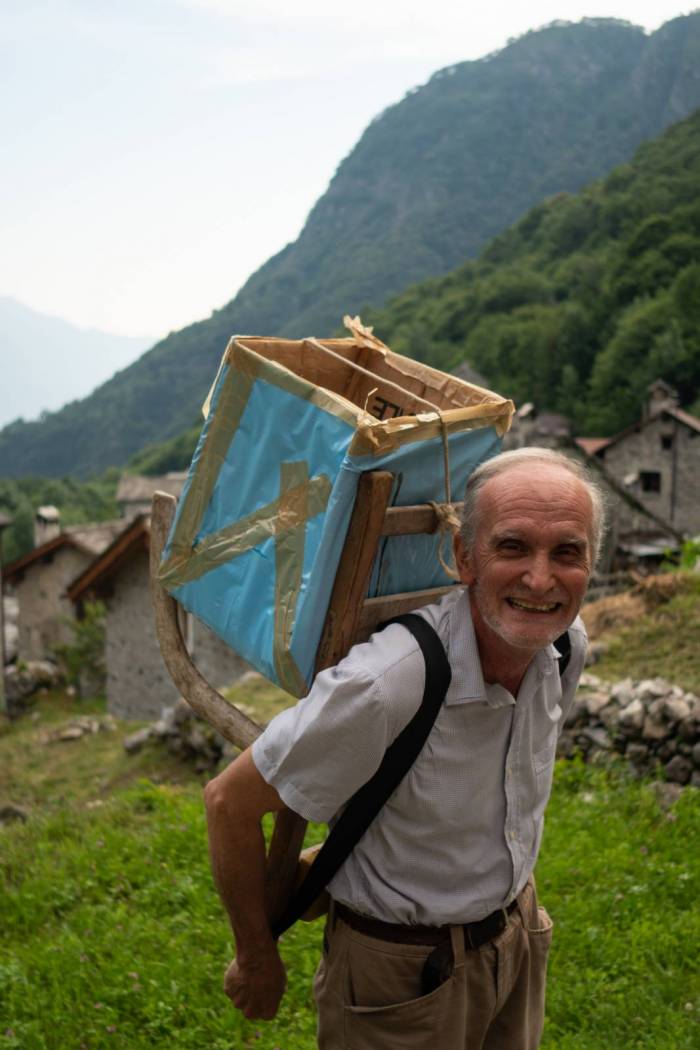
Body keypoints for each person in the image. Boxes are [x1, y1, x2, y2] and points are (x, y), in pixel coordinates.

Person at [203, 447, 605, 1049]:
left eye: (567, 552)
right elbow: (228, 802)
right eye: (513, 547)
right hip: (399, 975)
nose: (541, 578)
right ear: (464, 558)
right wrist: (257, 958)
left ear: (592, 564)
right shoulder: (387, 682)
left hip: (516, 939)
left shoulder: (565, 649)